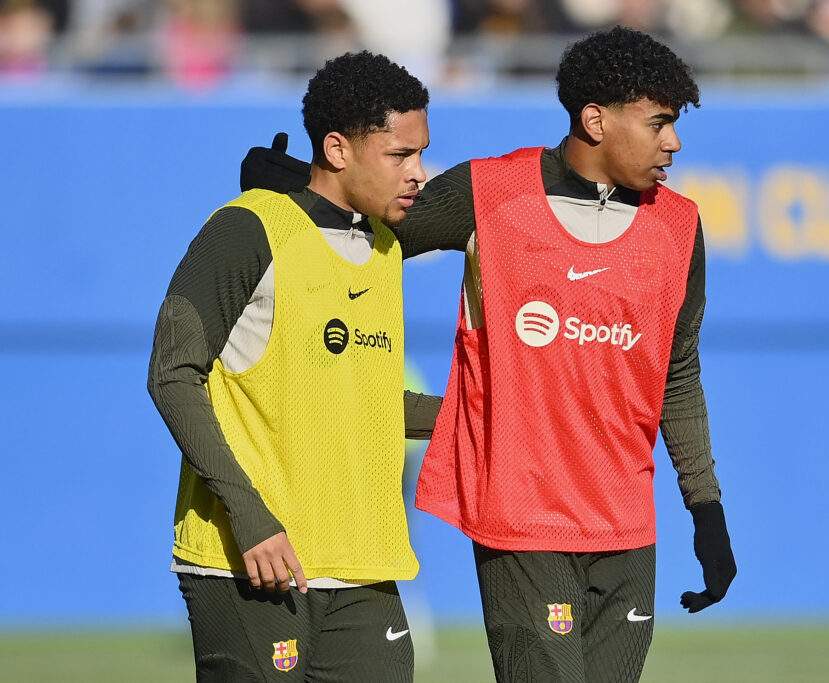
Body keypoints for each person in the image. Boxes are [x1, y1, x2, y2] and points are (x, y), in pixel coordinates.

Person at [242, 26, 737, 682]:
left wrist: (706, 509)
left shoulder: (679, 226)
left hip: (627, 529)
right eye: (659, 123)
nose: (673, 141)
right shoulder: (491, 194)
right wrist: (301, 195)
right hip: (521, 518)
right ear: (595, 119)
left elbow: (677, 372)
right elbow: (368, 227)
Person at [148, 51, 439, 682]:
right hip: (250, 560)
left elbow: (369, 402)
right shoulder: (244, 229)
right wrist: (250, 518)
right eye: (400, 155)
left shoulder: (385, 247)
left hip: (362, 561)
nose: (419, 173)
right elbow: (172, 373)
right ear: (337, 149)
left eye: (420, 153)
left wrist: (490, 414)